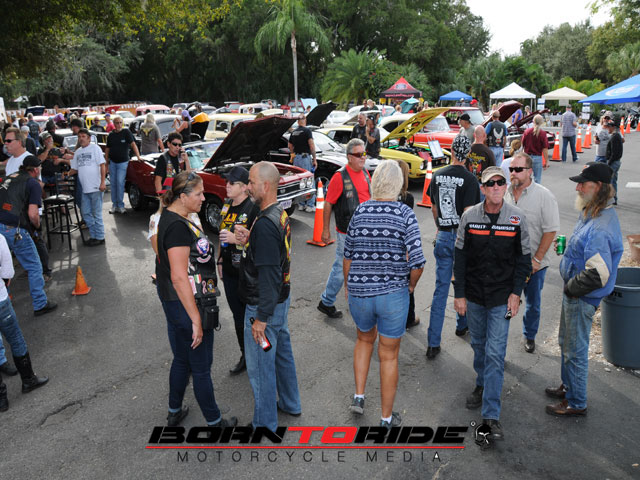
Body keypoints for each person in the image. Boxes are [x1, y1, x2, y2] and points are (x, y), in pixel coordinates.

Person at [344, 160, 425, 428]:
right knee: (389, 355)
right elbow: (418, 261)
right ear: (398, 184)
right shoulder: (405, 214)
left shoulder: (360, 211)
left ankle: (358, 396)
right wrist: (410, 286)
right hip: (392, 295)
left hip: (360, 292)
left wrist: (349, 286)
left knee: (363, 339)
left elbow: (348, 254)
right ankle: (386, 418)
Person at [454, 166, 531, 442]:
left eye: (500, 182)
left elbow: (524, 260)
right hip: (474, 296)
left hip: (502, 298)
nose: (496, 187)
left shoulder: (517, 218)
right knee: (479, 346)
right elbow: (460, 258)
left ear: (505, 187)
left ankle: (490, 416)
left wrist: (516, 293)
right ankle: (481, 382)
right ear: (483, 189)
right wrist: (459, 294)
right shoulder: (469, 217)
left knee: (496, 353)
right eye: (491, 184)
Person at [155, 171, 237, 428]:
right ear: (182, 196)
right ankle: (215, 422)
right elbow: (179, 277)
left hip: (176, 302)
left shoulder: (173, 217)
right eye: (199, 194)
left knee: (182, 359)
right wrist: (195, 320)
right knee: (201, 367)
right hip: (186, 304)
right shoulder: (177, 227)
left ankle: (174, 411)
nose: (203, 198)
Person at [545, 162, 623, 417]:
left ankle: (576, 402)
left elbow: (598, 274)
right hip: (577, 294)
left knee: (575, 351)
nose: (577, 188)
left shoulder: (600, 225)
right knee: (566, 344)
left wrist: (571, 289)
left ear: (598, 187)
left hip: (581, 297)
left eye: (582, 184)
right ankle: (568, 387)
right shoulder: (593, 212)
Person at [235, 161, 301, 433]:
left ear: (265, 185)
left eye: (250, 182)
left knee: (261, 366)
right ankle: (291, 403)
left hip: (263, 309)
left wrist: (260, 319)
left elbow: (270, 275)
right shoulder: (278, 213)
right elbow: (274, 254)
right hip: (279, 303)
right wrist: (250, 240)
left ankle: (264, 423)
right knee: (282, 354)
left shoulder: (264, 224)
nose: (247, 187)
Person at [426, 135, 481, 359]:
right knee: (463, 284)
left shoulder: (437, 175)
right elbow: (468, 214)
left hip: (443, 234)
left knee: (440, 289)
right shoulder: (470, 180)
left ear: (450, 151)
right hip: (461, 239)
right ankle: (462, 324)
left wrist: (440, 227)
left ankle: (433, 343)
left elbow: (433, 207)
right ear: (468, 154)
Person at [505, 152, 560, 353]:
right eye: (511, 169)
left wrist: (537, 259)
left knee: (533, 304)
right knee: (503, 304)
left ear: (529, 171)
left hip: (534, 264)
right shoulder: (504, 192)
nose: (513, 173)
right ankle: (499, 340)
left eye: (518, 169)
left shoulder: (544, 196)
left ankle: (529, 335)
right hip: (507, 263)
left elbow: (551, 230)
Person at [317, 139, 371, 319]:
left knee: (361, 267)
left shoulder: (365, 173)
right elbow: (328, 203)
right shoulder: (339, 177)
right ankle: (326, 302)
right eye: (359, 154)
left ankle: (359, 300)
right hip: (346, 232)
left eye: (364, 153)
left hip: (365, 231)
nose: (363, 157)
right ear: (349, 157)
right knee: (341, 267)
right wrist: (325, 230)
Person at [0, 156, 57, 315]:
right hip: (14, 229)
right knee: (34, 266)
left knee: (2, 266)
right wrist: (37, 228)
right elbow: (33, 215)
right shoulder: (33, 183)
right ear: (36, 169)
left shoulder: (9, 177)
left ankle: (4, 301)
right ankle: (40, 304)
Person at [217, 166, 259, 375]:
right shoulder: (226, 205)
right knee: (237, 315)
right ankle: (245, 355)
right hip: (229, 271)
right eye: (227, 182)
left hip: (248, 273)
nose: (227, 186)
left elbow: (260, 242)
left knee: (252, 316)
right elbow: (221, 234)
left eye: (231, 183)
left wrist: (238, 240)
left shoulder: (253, 208)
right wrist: (219, 261)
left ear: (244, 187)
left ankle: (259, 354)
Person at [0, 234, 49, 412]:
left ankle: (1, 399)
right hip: (1, 300)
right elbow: (8, 273)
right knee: (15, 339)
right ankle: (28, 380)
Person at [69, 128, 106, 246]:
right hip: (84, 189)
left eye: (83, 136)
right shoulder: (78, 152)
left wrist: (103, 182)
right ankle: (94, 235)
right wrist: (66, 173)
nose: (81, 139)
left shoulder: (95, 148)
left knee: (96, 214)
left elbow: (102, 165)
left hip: (96, 187)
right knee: (85, 213)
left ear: (89, 138)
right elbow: (74, 169)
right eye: (79, 137)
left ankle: (100, 237)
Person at [105, 115, 142, 214]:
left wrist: (138, 156)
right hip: (112, 162)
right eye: (117, 123)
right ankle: (114, 205)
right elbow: (107, 149)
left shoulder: (126, 132)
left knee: (120, 183)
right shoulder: (111, 135)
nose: (119, 124)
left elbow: (133, 144)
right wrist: (106, 163)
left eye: (120, 122)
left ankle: (121, 205)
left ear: (122, 123)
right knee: (113, 184)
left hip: (123, 162)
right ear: (114, 124)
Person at [288, 115, 317, 212]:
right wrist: (314, 159)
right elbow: (311, 146)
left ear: (298, 121)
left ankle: (301, 204)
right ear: (305, 120)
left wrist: (292, 153)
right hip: (305, 158)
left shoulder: (294, 132)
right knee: (309, 181)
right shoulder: (307, 131)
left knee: (299, 182)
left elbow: (290, 145)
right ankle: (310, 205)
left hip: (296, 158)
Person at [521, 114, 549, 184]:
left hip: (527, 157)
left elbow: (522, 145)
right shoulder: (543, 133)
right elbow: (545, 149)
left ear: (533, 121)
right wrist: (546, 161)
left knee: (526, 178)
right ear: (541, 122)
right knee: (537, 179)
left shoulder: (527, 132)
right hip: (537, 157)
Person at [604, 120, 623, 205]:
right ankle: (613, 198)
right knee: (613, 181)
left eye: (609, 127)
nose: (607, 129)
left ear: (613, 127)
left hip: (614, 162)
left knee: (611, 182)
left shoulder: (615, 137)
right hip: (616, 161)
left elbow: (614, 152)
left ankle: (612, 199)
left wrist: (609, 162)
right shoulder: (616, 136)